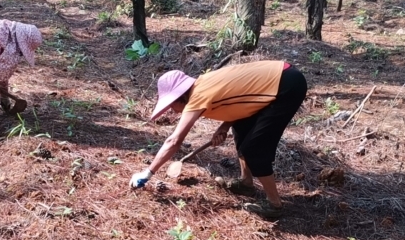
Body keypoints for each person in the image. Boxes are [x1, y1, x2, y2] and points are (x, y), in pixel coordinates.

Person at [129, 61, 307, 219]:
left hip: (286, 86)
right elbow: (241, 100)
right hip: (278, 79)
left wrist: (148, 173)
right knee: (241, 128)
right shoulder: (202, 85)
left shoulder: (198, 97)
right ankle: (246, 184)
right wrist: (224, 126)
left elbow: (174, 141)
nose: (171, 110)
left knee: (255, 149)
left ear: (179, 96)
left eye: (170, 105)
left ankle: (274, 204)